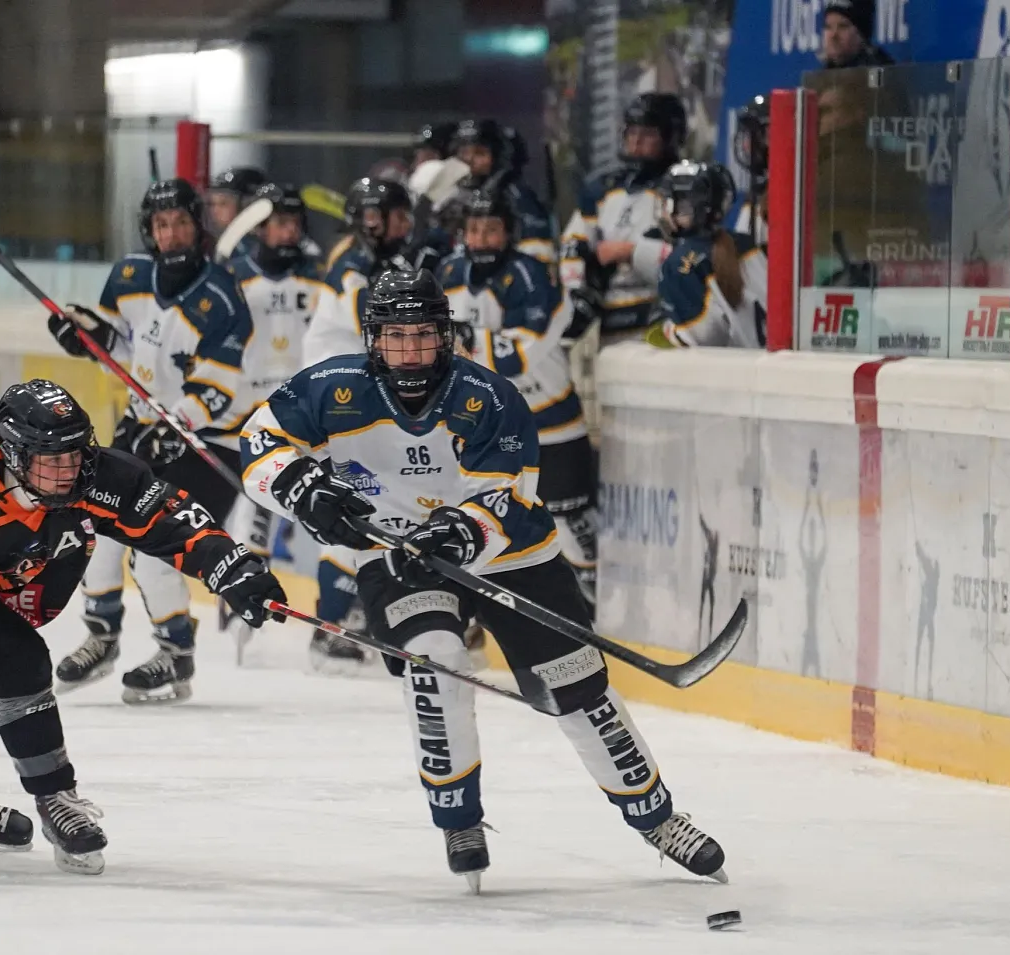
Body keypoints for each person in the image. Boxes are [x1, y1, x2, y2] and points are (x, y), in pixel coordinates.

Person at [239, 269, 727, 891]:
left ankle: (656, 818)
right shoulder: (330, 387)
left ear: (445, 335)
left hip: (511, 557)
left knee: (576, 686)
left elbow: (508, 496)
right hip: (394, 557)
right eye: (395, 337)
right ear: (372, 338)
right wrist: (298, 486)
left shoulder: (489, 397)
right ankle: (459, 820)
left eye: (422, 335)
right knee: (435, 661)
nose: (409, 351)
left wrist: (456, 532)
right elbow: (259, 437)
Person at [0, 379, 286, 875]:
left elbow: (170, 519)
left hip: (0, 592)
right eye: (50, 458)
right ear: (14, 454)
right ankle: (56, 799)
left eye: (75, 454)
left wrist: (231, 566)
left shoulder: (99, 475)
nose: (67, 470)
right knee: (13, 662)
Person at [48, 178, 253, 704]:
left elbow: (217, 387)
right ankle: (101, 636)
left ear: (197, 226)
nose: (172, 233)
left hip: (210, 441)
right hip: (143, 428)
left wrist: (176, 422)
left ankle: (175, 652)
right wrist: (85, 337)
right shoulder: (130, 276)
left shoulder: (222, 297)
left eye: (181, 222)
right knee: (92, 523)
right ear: (150, 230)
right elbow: (118, 344)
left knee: (156, 546)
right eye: (162, 224)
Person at [302, 177, 446, 670]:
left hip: (355, 401)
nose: (405, 226)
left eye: (406, 217)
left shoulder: (379, 262)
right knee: (356, 505)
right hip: (340, 404)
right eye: (396, 218)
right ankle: (332, 622)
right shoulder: (353, 266)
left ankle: (350, 615)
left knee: (375, 505)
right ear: (370, 220)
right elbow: (380, 329)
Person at [437, 189, 596, 606]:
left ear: (510, 232)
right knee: (478, 526)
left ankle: (591, 611)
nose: (481, 239)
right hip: (489, 429)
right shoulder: (449, 272)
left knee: (571, 529)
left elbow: (520, 356)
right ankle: (473, 616)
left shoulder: (533, 275)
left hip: (551, 423)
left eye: (491, 229)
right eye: (473, 229)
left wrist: (466, 339)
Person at [221, 182, 326, 653]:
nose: (289, 231)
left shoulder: (318, 276)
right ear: (258, 228)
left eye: (294, 223)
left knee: (322, 508)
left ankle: (334, 610)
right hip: (252, 412)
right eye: (279, 223)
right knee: (257, 500)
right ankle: (243, 594)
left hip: (307, 411)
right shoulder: (233, 276)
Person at [560, 93, 684, 345]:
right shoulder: (603, 189)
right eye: (631, 132)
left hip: (661, 318)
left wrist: (632, 251)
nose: (636, 141)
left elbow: (691, 259)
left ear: (671, 137)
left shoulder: (685, 189)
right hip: (609, 319)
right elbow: (573, 244)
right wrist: (578, 291)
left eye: (648, 134)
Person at [652, 161, 768, 349]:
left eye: (669, 201)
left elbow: (702, 341)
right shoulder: (749, 245)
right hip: (776, 362)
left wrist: (668, 331)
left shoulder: (679, 265)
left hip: (734, 367)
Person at [450, 119, 555, 266]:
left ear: (498, 158)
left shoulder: (515, 197)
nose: (469, 160)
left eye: (480, 153)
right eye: (464, 153)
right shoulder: (452, 195)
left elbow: (536, 253)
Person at [730, 94, 770, 247]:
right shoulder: (758, 193)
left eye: (755, 135)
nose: (747, 145)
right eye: (747, 136)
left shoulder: (788, 193)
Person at [204, 166, 269, 256]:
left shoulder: (259, 250)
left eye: (223, 203)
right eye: (211, 204)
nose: (215, 211)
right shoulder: (210, 247)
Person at [819, 0, 894, 69]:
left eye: (842, 26)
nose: (833, 35)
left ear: (861, 35)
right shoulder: (824, 73)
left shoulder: (880, 72)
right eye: (828, 27)